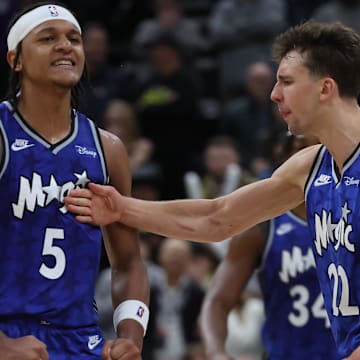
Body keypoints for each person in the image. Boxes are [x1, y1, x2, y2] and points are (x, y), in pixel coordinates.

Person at [65, 20, 360, 359]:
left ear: (325, 89)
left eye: (287, 82)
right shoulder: (310, 168)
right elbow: (217, 218)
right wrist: (121, 208)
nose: (274, 94)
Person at [1, 2, 149, 359]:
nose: (66, 46)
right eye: (47, 38)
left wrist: (130, 336)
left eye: (74, 38)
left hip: (81, 339)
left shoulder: (107, 148)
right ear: (16, 60)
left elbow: (128, 262)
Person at [199, 134, 340, 359]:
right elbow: (217, 301)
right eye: (297, 150)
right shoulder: (262, 227)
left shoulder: (352, 214)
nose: (305, 160)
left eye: (312, 150)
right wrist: (216, 351)